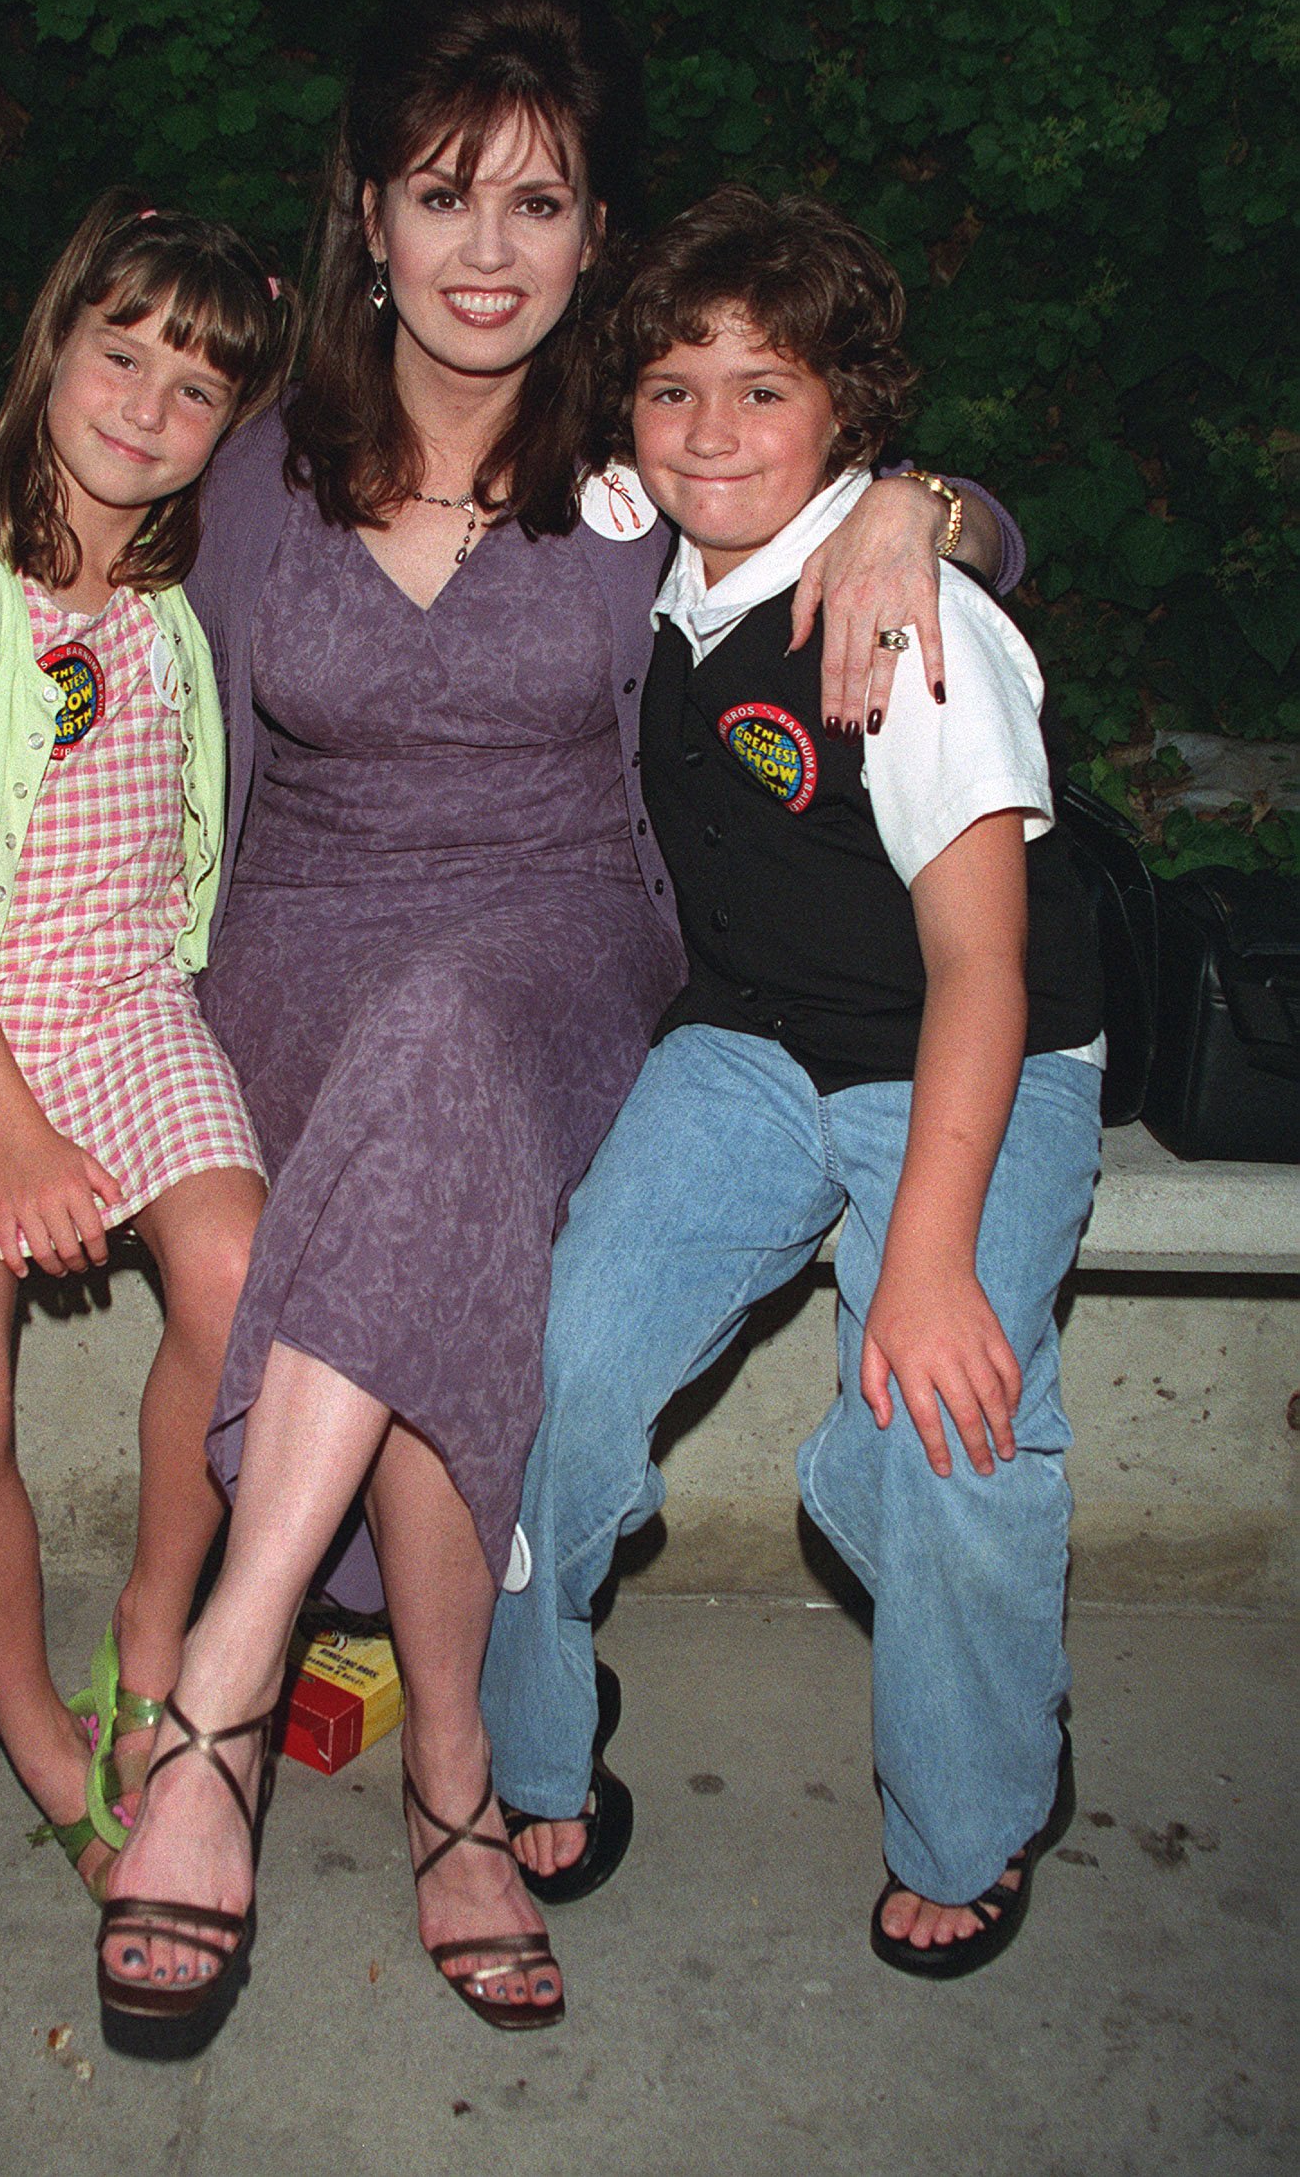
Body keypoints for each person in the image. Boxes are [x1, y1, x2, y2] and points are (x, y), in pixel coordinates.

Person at [0, 0, 1021, 2032]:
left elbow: (877, 496)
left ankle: (224, 1687)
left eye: (543, 204)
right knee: (405, 1091)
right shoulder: (250, 466)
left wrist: (938, 520)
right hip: (288, 946)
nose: (491, 251)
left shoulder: (641, 463)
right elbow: (48, 583)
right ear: (366, 214)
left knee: (449, 1046)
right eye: (443, 194)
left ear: (596, 235)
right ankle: (453, 1785)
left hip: (568, 935)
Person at [480, 184, 1104, 1979]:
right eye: (674, 388)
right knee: (561, 1354)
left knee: (943, 1417)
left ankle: (980, 1798)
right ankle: (539, 1736)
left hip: (966, 1051)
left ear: (848, 410)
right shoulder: (645, 520)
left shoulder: (898, 617)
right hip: (747, 1037)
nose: (712, 429)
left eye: (766, 391)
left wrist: (921, 1262)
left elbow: (981, 965)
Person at [0, 191, 294, 1899]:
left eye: (193, 390)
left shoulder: (176, 604)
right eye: (122, 358)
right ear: (54, 352)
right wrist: (17, 1136)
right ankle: (39, 1733)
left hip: (127, 1006)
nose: (145, 411)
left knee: (241, 1275)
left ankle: (156, 1628)